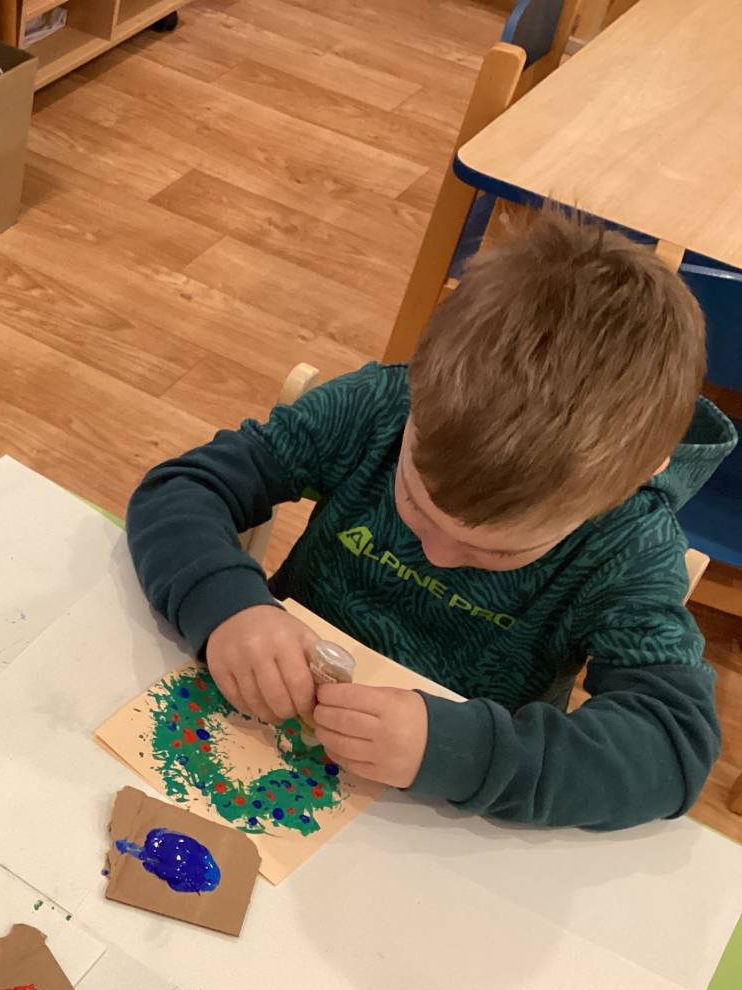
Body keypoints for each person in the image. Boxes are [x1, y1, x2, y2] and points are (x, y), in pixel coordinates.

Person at [127, 215, 736, 830]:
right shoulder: (376, 410)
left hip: (432, 816)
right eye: (415, 505)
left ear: (627, 484)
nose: (437, 553)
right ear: (420, 384)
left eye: (498, 553)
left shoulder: (628, 544)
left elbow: (672, 749)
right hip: (260, 733)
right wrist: (229, 607)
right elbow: (183, 489)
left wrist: (464, 752)